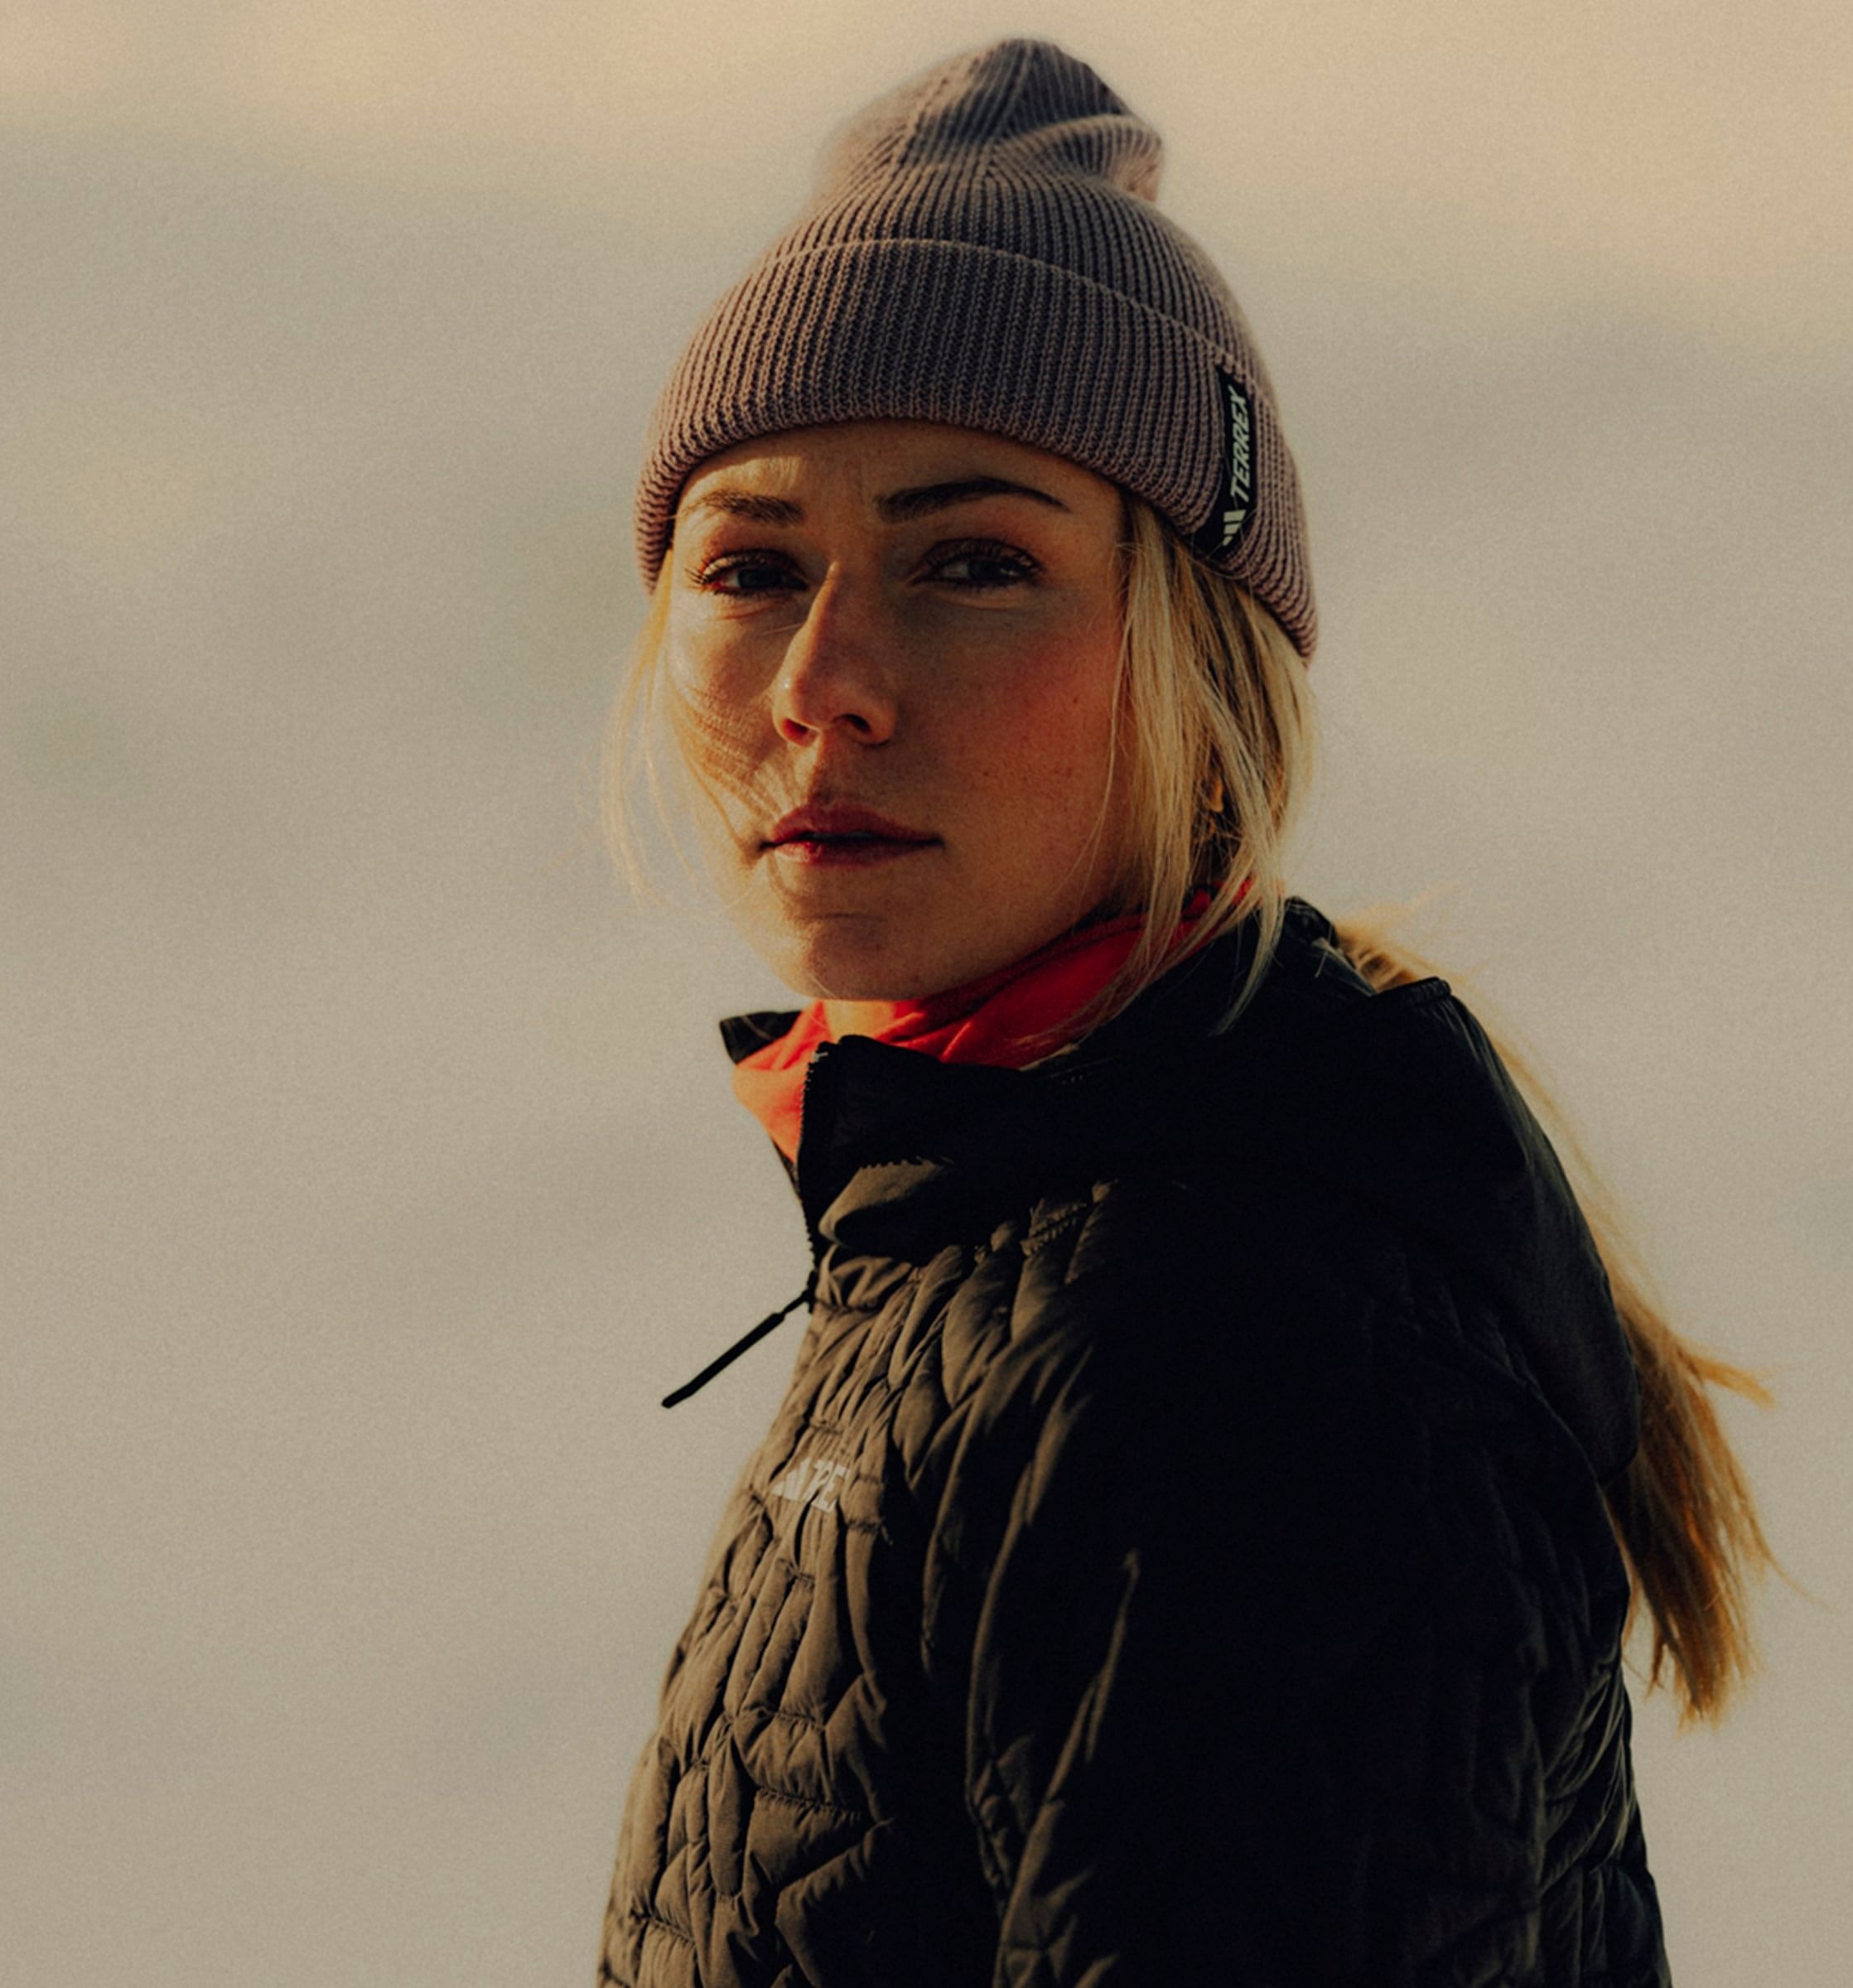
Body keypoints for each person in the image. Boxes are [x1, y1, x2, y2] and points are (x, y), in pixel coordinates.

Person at [595, 38, 1772, 1988]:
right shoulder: (994, 1217)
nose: (826, 679)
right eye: (753, 566)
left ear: (1197, 662)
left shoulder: (1234, 1354)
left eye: (976, 563)